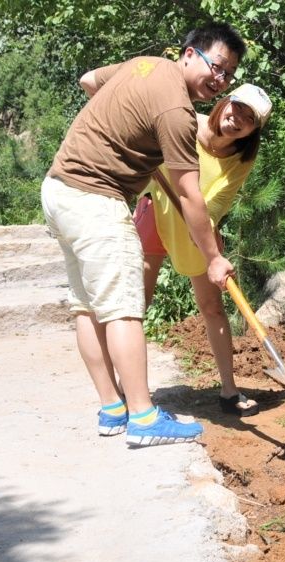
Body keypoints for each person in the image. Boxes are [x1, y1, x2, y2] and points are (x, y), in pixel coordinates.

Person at [41, 23, 246, 446]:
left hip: (60, 188)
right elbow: (190, 194)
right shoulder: (177, 110)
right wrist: (212, 258)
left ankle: (113, 408)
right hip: (96, 197)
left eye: (228, 75)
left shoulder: (143, 65)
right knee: (122, 309)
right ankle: (143, 417)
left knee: (89, 306)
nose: (220, 80)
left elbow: (88, 81)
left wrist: (125, 133)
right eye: (217, 66)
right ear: (189, 53)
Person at [134, 84, 273, 417]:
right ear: (224, 102)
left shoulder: (242, 158)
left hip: (199, 225)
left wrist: (201, 226)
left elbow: (221, 199)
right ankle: (130, 390)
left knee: (212, 306)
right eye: (236, 107)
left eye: (249, 118)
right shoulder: (186, 122)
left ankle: (229, 391)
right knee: (137, 301)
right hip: (156, 209)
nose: (237, 118)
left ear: (254, 130)